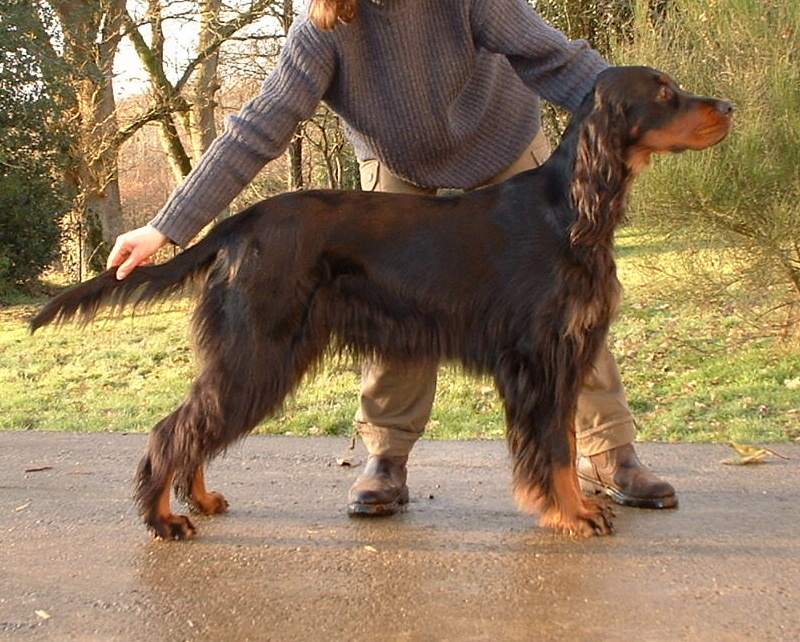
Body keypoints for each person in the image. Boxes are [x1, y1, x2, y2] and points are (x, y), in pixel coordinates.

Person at [108, 0, 678, 518]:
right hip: (399, 166)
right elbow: (260, 124)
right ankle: (386, 457)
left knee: (569, 312)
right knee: (397, 312)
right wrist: (167, 226)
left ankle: (609, 451)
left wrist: (647, 107)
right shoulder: (322, 28)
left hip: (505, 149)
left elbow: (558, 59)